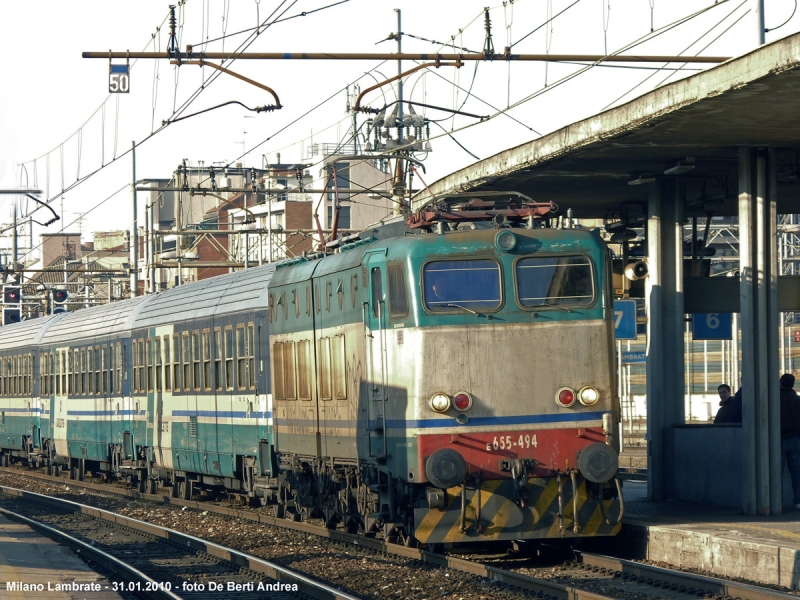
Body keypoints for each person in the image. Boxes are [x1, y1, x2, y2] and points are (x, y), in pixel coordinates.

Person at [779, 373, 800, 509]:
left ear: (780, 383)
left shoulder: (775, 399)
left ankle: (776, 500)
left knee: (776, 472)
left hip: (778, 439)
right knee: (796, 472)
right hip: (795, 439)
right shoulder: (797, 400)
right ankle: (798, 501)